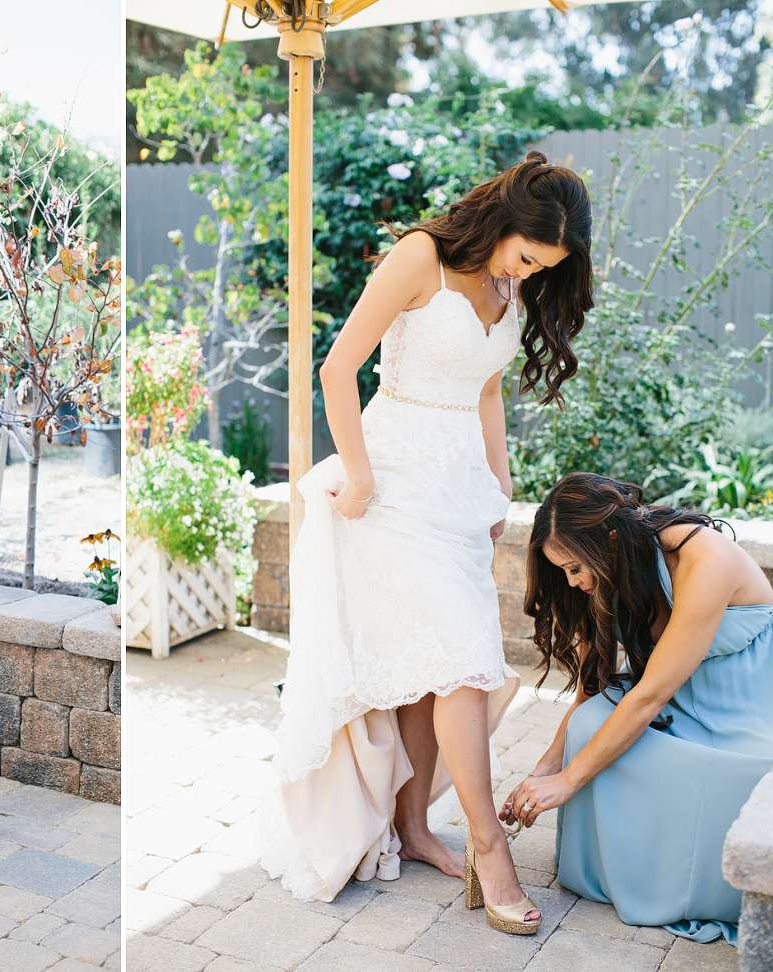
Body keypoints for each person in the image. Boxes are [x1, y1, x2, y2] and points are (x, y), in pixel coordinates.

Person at [260, 151, 594, 936]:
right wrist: (364, 479)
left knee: (432, 670)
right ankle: (490, 849)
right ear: (505, 221)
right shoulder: (421, 257)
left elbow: (485, 390)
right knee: (465, 660)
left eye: (543, 266)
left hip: (456, 498)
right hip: (394, 487)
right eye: (525, 255)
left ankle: (413, 829)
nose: (528, 274)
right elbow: (337, 368)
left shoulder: (507, 285)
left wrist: (497, 488)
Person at [502, 472, 773, 944]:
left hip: (746, 707)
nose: (574, 582)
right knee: (587, 725)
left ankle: (677, 881)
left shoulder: (703, 558)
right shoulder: (607, 573)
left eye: (573, 567)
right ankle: (615, 871)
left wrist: (568, 781)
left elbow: (647, 698)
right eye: (564, 572)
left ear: (608, 537)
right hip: (678, 700)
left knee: (597, 752)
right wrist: (544, 771)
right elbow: (593, 688)